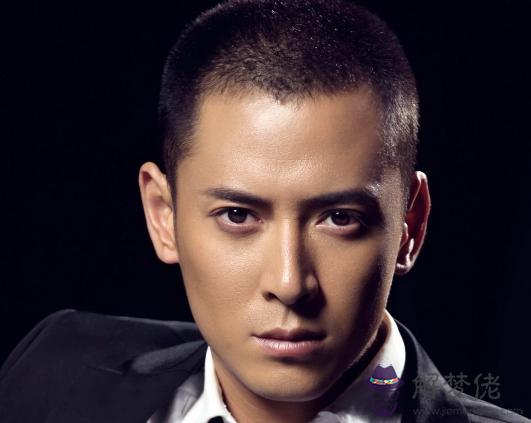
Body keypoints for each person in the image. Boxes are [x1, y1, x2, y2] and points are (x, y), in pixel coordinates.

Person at [0, 0, 528, 422]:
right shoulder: (52, 368)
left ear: (410, 226)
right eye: (237, 215)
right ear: (163, 216)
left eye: (340, 218)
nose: (289, 283)